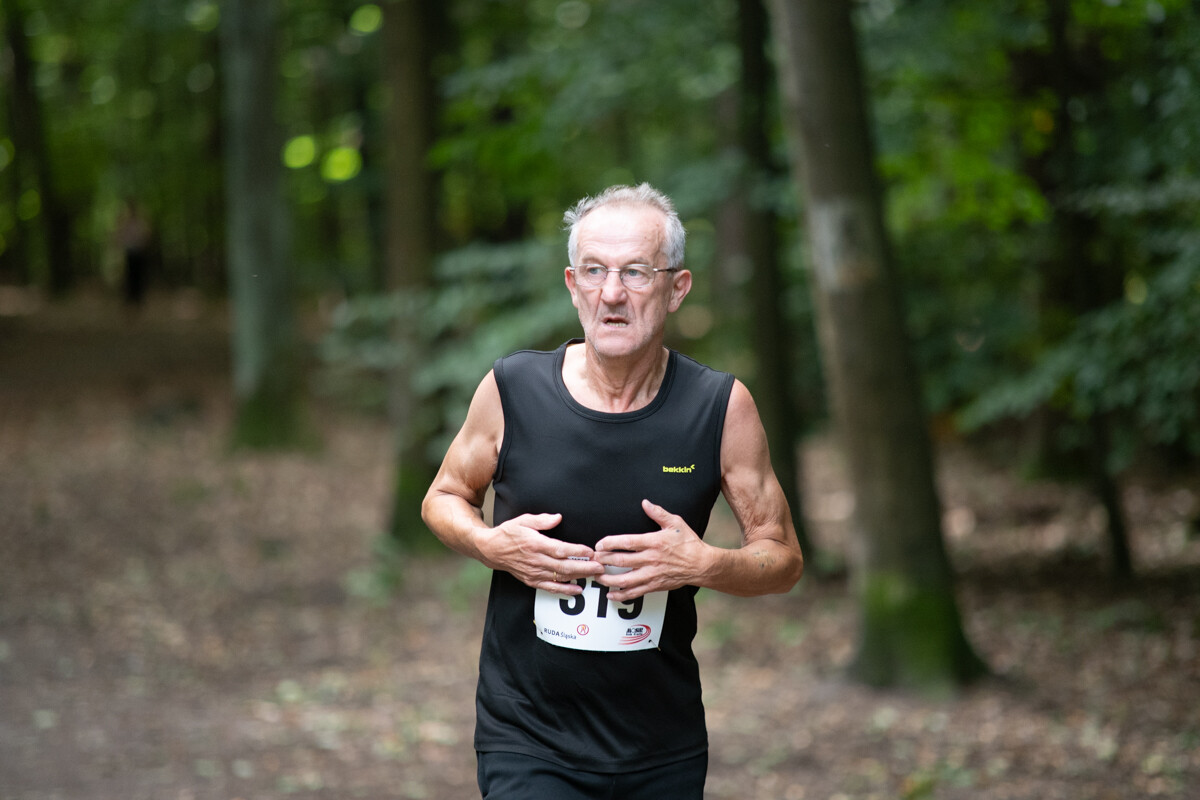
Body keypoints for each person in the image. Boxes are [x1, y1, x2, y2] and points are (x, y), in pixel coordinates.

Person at [422, 183, 804, 799]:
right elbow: (442, 497)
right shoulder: (512, 389)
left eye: (635, 272)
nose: (612, 293)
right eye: (595, 272)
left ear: (676, 288)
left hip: (659, 742)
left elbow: (782, 560)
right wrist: (492, 545)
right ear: (573, 285)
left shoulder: (720, 407)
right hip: (527, 733)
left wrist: (703, 564)